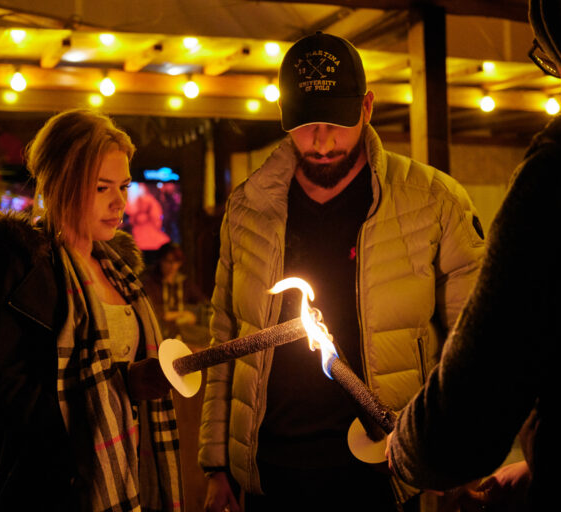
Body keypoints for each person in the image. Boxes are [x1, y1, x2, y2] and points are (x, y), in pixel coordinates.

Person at [199, 32, 485, 511]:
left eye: (336, 121)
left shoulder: (434, 202)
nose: (322, 140)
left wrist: (458, 454)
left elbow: (471, 341)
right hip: (269, 472)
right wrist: (216, 464)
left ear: (367, 107)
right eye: (306, 123)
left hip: (382, 471)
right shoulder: (248, 207)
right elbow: (226, 333)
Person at [386, 1, 561, 510]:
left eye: (553, 61)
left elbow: (466, 415)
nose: (558, 85)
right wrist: (541, 465)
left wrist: (408, 447)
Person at [0, 109, 183, 512]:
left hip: (124, 473)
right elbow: (4, 394)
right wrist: (119, 389)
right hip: (50, 487)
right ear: (62, 183)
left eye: (124, 186)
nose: (119, 202)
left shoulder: (120, 271)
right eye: (101, 187)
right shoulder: (19, 265)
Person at [140, 242, 206, 339]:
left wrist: (193, 314)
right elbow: (151, 310)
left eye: (176, 262)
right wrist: (181, 314)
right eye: (168, 261)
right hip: (159, 330)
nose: (173, 266)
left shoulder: (184, 282)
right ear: (161, 261)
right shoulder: (150, 283)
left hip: (182, 330)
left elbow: (203, 302)